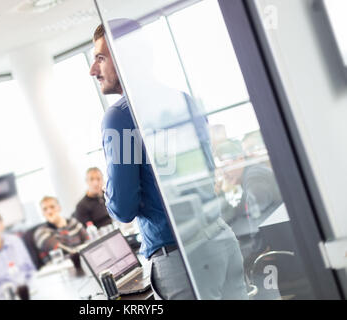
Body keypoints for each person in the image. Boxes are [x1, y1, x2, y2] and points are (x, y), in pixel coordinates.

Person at [89, 21, 248, 300]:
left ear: (126, 58)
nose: (93, 70)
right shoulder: (183, 100)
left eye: (100, 58)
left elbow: (123, 208)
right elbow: (204, 176)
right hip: (220, 239)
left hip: (180, 259)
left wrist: (115, 192)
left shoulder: (122, 117)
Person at [33, 196, 89, 261]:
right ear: (42, 213)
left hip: (81, 259)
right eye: (45, 209)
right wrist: (61, 225)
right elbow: (64, 251)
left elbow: (87, 240)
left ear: (59, 208)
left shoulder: (73, 222)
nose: (49, 212)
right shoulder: (40, 232)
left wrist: (62, 224)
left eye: (52, 207)